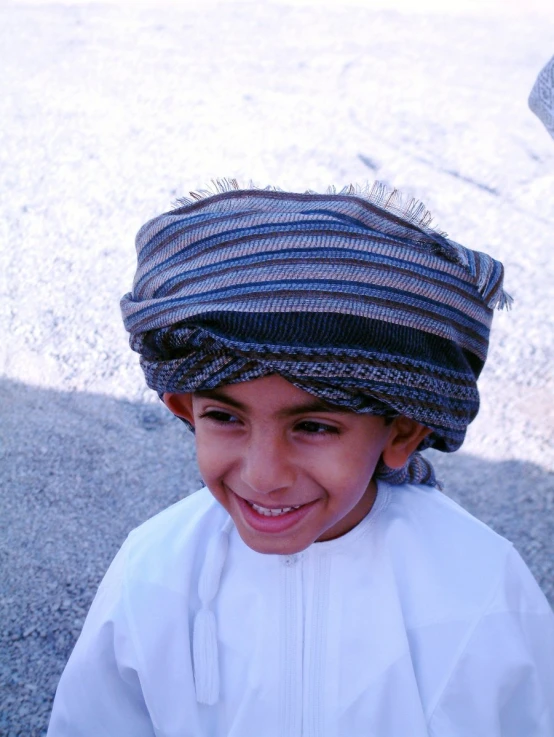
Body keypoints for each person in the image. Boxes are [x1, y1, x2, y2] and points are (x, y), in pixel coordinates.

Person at [47, 181, 554, 736]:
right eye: (226, 417)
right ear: (183, 407)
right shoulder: (153, 571)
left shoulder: (478, 583)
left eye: (313, 426)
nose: (263, 476)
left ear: (403, 432)